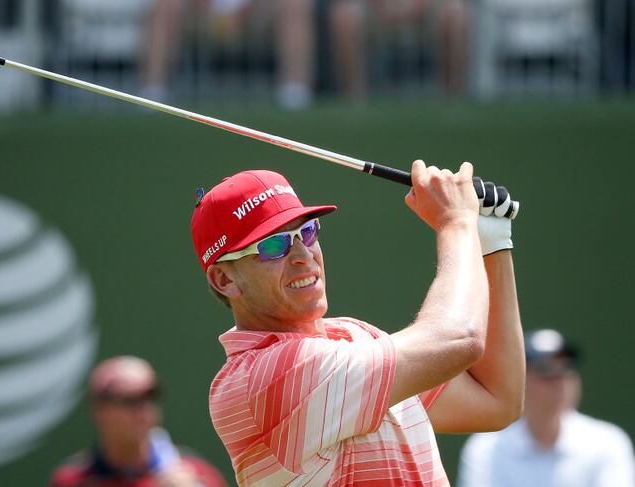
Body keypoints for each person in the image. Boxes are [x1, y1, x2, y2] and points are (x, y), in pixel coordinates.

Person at [190, 163, 524, 485]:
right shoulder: (259, 379)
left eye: (306, 233)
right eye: (273, 247)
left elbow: (496, 400)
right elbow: (457, 337)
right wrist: (456, 223)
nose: (302, 255)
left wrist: (491, 244)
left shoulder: (352, 336)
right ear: (224, 279)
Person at [458, 328, 635, 487]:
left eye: (566, 369)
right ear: (522, 380)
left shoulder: (608, 442)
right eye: (545, 370)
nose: (559, 381)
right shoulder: (485, 448)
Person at [47, 356, 228, 487]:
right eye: (129, 400)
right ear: (100, 411)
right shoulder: (71, 480)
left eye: (150, 397)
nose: (143, 410)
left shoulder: (196, 473)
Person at [140, 0, 316, 109]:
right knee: (164, 5)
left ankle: (295, 94)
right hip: (202, 16)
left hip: (255, 17)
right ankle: (153, 94)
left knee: (294, 4)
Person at [328, 0, 469, 98]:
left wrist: (417, 5)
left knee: (456, 13)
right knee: (345, 15)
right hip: (375, 12)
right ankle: (354, 99)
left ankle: (454, 97)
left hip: (425, 13)